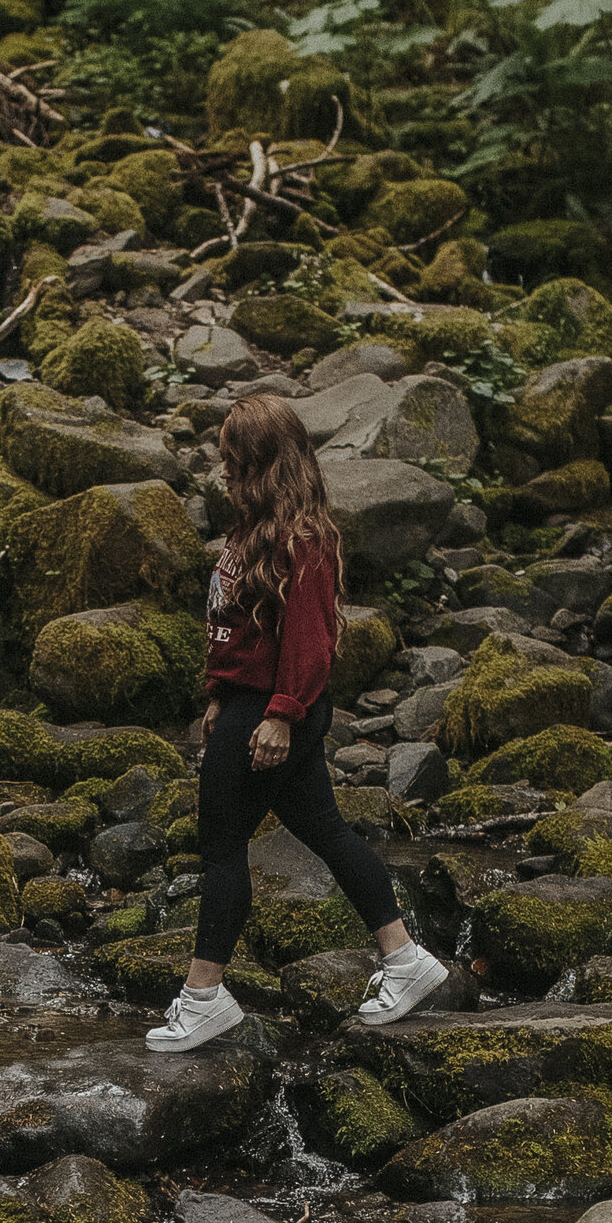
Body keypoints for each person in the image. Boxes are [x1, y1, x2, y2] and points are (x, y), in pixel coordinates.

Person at [145, 393, 449, 1054]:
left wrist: (279, 716)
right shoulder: (252, 530)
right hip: (252, 707)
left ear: (266, 465)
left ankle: (204, 999)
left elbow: (310, 645)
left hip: (276, 714)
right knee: (328, 832)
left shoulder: (302, 539)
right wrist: (218, 695)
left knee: (222, 846)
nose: (224, 472)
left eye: (234, 461)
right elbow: (236, 631)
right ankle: (403, 958)